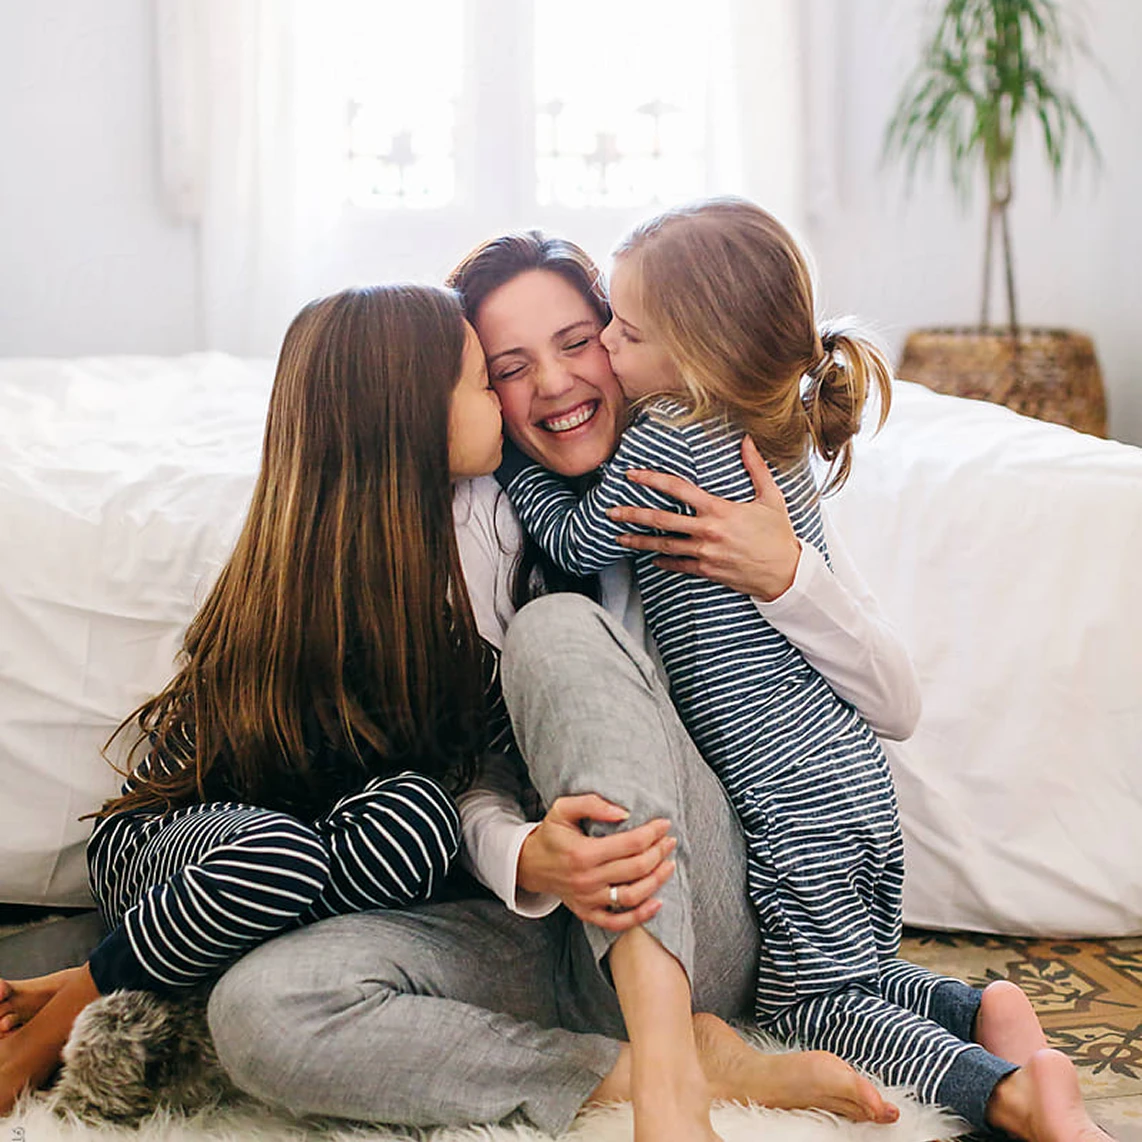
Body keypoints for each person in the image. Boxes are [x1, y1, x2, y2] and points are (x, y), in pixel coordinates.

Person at [200, 232, 928, 1140]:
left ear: (629, 343)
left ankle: (667, 1064)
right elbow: (451, 766)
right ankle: (654, 1064)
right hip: (553, 927)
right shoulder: (474, 519)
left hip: (698, 904)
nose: (552, 384)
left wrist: (787, 577)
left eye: (580, 341)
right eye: (507, 366)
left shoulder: (722, 481)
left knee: (555, 628)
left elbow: (896, 703)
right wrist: (518, 855)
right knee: (263, 1008)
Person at [490, 200, 1110, 1142]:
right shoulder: (769, 439)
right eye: (511, 368)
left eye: (613, 331)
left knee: (814, 1007)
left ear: (691, 356)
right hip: (846, 774)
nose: (606, 354)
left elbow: (576, 544)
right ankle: (983, 1013)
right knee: (847, 970)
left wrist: (511, 467)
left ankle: (1007, 1092)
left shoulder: (662, 440)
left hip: (785, 788)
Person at [0, 284, 505, 1115]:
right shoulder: (306, 591)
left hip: (307, 853)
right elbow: (265, 807)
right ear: (410, 414)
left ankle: (120, 966)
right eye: (484, 381)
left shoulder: (460, 565)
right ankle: (47, 1029)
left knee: (419, 825)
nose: (503, 400)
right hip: (176, 847)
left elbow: (455, 758)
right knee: (278, 856)